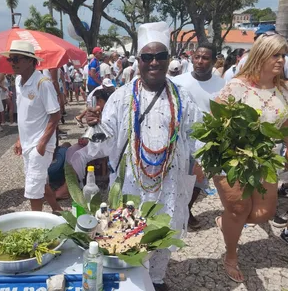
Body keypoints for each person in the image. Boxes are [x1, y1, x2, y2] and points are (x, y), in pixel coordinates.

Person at [71, 22, 203, 290]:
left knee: (164, 229)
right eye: (147, 57)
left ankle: (157, 278)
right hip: (132, 180)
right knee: (132, 230)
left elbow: (196, 135)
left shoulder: (183, 98)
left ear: (168, 60)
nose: (154, 62)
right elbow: (104, 140)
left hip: (170, 180)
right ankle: (135, 278)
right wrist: (95, 123)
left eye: (160, 56)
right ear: (138, 61)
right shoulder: (121, 97)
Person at [214, 33, 288, 283]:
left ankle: (225, 221)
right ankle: (231, 255)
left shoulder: (284, 89)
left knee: (264, 213)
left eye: (283, 55)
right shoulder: (237, 86)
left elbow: (286, 125)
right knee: (238, 208)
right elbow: (216, 125)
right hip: (232, 159)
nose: (280, 60)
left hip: (265, 161)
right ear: (261, 56)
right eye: (275, 54)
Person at [1, 40, 62, 213]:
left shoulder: (43, 83)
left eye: (16, 59)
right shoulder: (18, 81)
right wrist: (20, 139)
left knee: (33, 188)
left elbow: (55, 115)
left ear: (29, 60)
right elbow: (24, 114)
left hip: (40, 143)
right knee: (40, 181)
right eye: (10, 60)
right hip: (28, 142)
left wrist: (41, 143)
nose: (12, 63)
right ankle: (57, 210)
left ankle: (35, 223)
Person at [172, 43, 225, 229]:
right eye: (197, 57)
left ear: (213, 60)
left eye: (205, 58)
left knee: (199, 180)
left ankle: (186, 210)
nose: (200, 62)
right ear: (192, 58)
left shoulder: (222, 85)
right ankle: (175, 212)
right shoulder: (178, 82)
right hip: (180, 140)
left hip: (206, 142)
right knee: (177, 177)